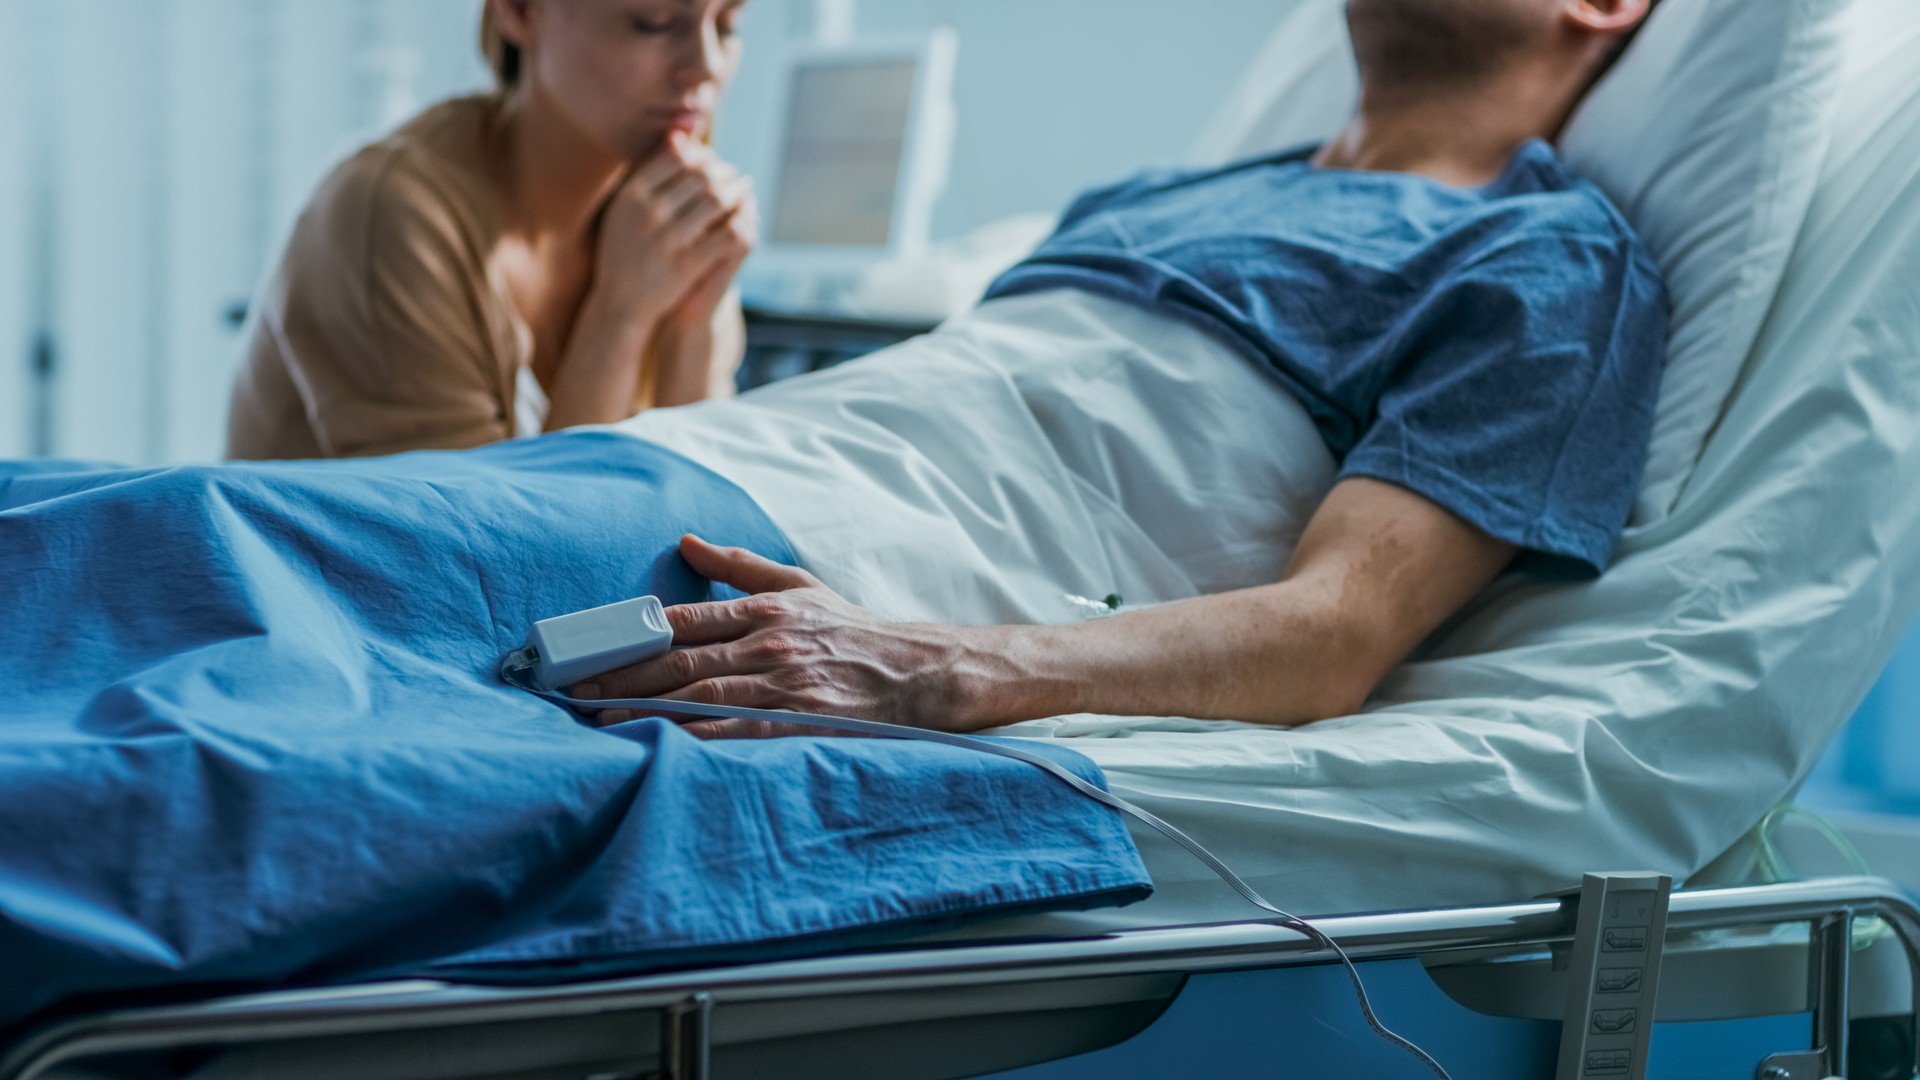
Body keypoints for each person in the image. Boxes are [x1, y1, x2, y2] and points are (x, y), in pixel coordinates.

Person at [580, 0, 1671, 735]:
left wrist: (931, 668)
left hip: (782, 569)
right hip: (685, 476)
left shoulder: (1544, 260)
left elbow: (1332, 635)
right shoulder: (1152, 196)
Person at [226, 0, 757, 460]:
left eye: (728, 25)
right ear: (520, 10)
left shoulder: (665, 220)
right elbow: (504, 558)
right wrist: (618, 316)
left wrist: (694, 322)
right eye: (654, 23)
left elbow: (696, 513)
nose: (706, 66)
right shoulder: (389, 215)